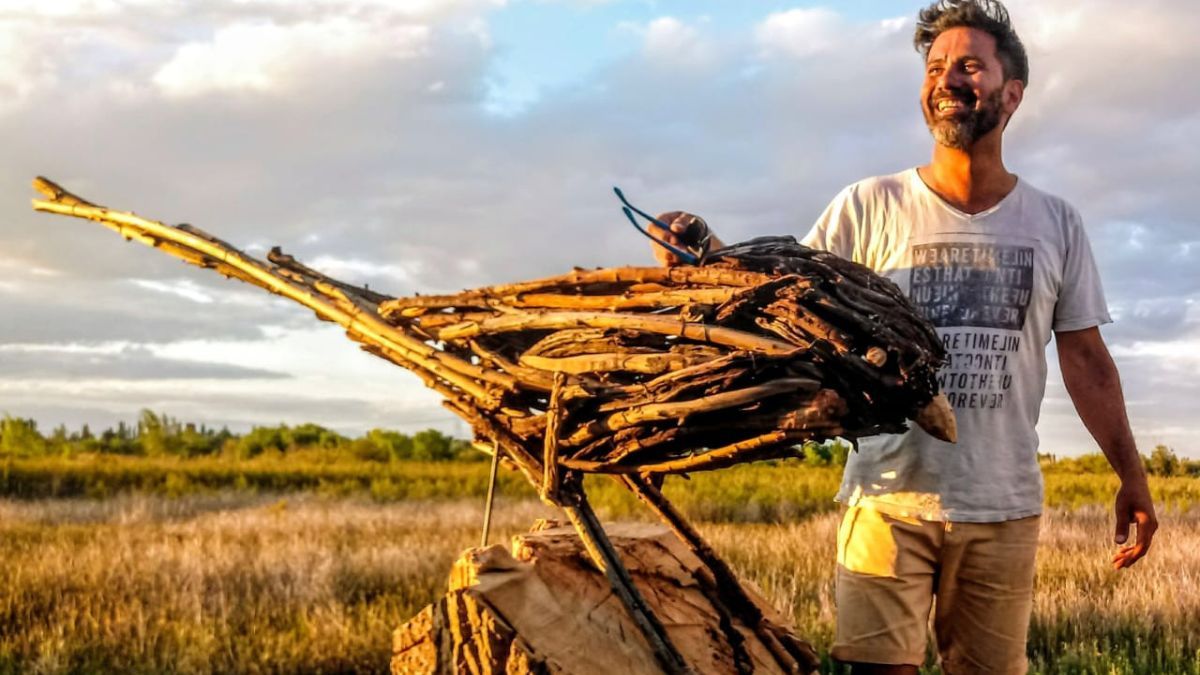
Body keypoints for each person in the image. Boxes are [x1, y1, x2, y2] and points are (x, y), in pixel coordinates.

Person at [647, 1, 1158, 673]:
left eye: (968, 66)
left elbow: (1086, 360)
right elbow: (785, 301)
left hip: (1002, 504)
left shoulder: (1055, 223)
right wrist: (709, 255)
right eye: (935, 67)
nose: (946, 80)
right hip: (887, 497)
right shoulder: (868, 207)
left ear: (1012, 94)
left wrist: (1132, 477)